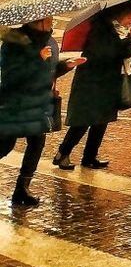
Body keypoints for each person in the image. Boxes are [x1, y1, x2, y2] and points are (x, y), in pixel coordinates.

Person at [55, 5, 131, 170]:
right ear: (118, 15)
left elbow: (122, 51)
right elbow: (104, 53)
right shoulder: (101, 30)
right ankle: (63, 153)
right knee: (84, 120)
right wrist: (128, 45)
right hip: (92, 82)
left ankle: (90, 156)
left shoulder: (123, 32)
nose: (130, 22)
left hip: (109, 81)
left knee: (102, 120)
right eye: (128, 18)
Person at [0, 16, 77, 208]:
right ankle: (21, 190)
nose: (52, 23)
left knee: (37, 142)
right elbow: (11, 76)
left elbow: (48, 71)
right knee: (5, 145)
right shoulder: (13, 43)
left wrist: (64, 66)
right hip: (15, 103)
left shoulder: (49, 41)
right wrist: (35, 59)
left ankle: (22, 189)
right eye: (48, 21)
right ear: (36, 22)